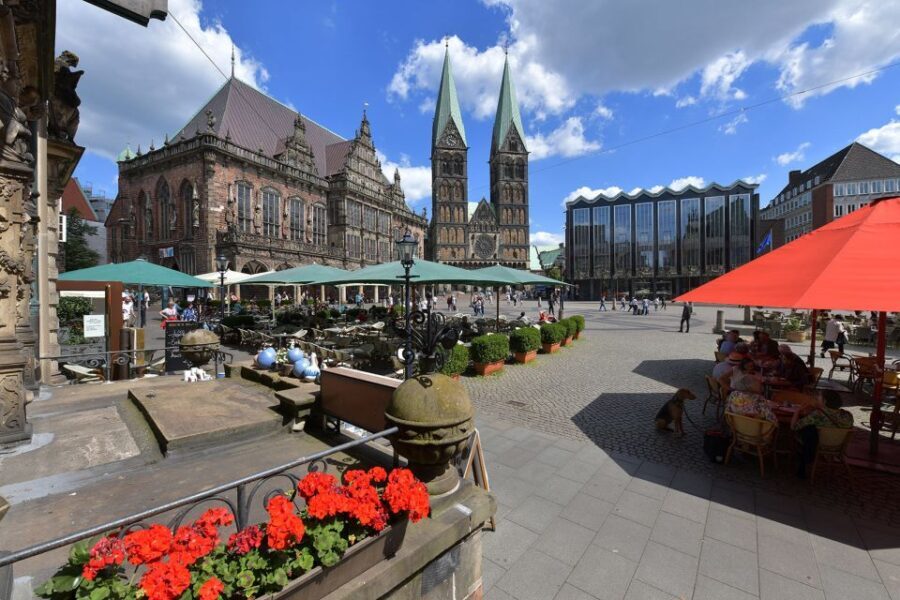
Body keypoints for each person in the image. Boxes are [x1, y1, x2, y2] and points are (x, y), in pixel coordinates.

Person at [792, 390, 853, 479]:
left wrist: (797, 411)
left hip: (820, 445)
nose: (817, 398)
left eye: (819, 396)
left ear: (825, 401)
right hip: (839, 446)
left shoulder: (818, 414)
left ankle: (803, 461)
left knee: (808, 431)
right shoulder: (847, 415)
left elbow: (794, 427)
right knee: (811, 430)